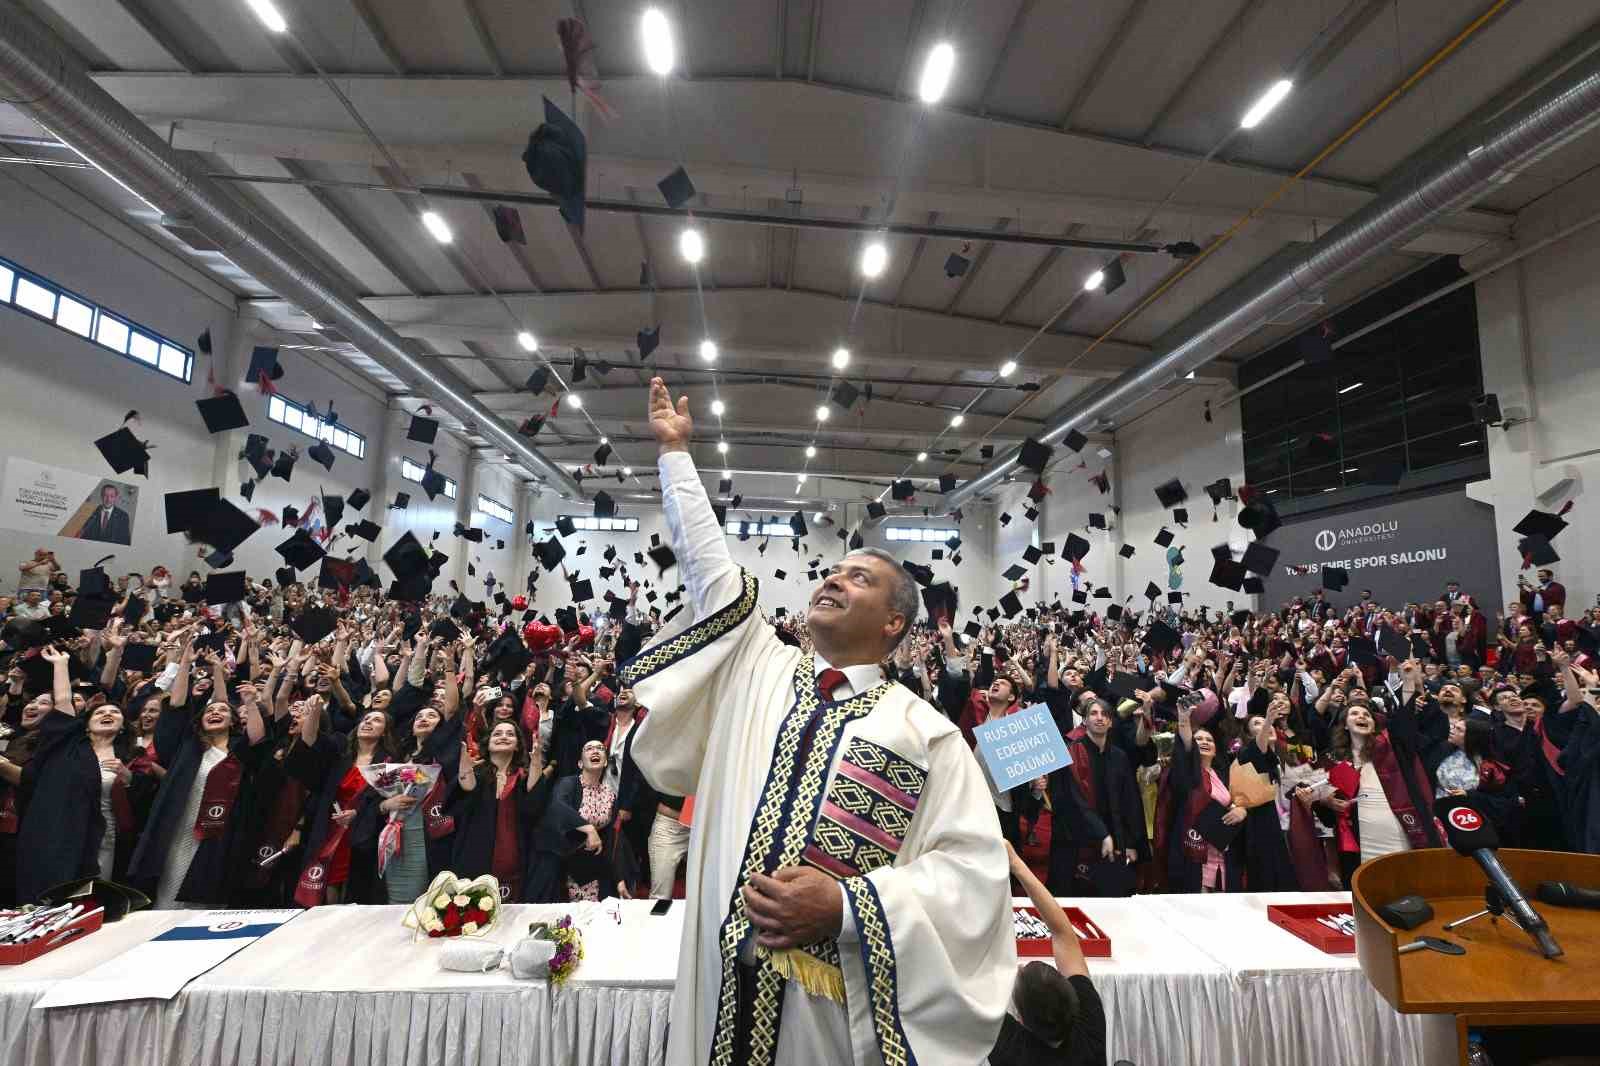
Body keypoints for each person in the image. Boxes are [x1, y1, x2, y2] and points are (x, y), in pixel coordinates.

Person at [626, 377, 1015, 1066]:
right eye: (832, 571)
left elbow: (972, 875)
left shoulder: (926, 735)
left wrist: (847, 905)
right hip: (720, 987)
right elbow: (711, 573)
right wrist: (676, 456)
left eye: (859, 578)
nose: (834, 580)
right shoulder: (761, 671)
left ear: (895, 622)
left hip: (828, 1019)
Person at [986, 841, 1106, 1066]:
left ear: (1021, 1019)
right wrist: (1016, 863)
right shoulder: (1091, 1028)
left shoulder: (1012, 1051)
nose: (1020, 967)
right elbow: (1063, 933)